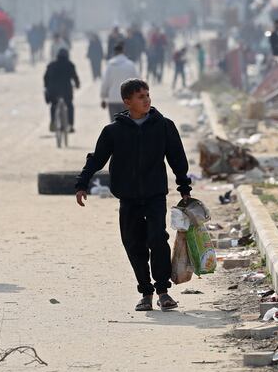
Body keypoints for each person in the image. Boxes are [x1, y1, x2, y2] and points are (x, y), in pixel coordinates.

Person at [75, 79, 192, 312]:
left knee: (158, 239)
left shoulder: (164, 126)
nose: (147, 100)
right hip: (127, 198)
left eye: (148, 95)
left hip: (155, 195)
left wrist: (184, 187)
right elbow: (97, 159)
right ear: (127, 102)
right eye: (141, 97)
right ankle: (145, 292)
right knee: (134, 244)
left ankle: (163, 291)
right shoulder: (113, 131)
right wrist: (82, 183)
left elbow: (177, 158)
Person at [44, 48, 81, 132]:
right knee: (69, 105)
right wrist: (77, 85)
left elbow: (45, 78)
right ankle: (70, 125)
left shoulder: (51, 65)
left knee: (53, 105)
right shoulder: (70, 65)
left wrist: (46, 87)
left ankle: (53, 122)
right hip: (66, 91)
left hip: (53, 91)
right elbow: (75, 77)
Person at [100, 43, 139, 121]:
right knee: (128, 124)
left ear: (114, 52)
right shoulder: (130, 65)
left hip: (113, 99)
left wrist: (103, 98)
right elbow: (138, 83)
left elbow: (105, 83)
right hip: (128, 99)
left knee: (114, 125)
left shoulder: (110, 66)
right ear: (123, 51)